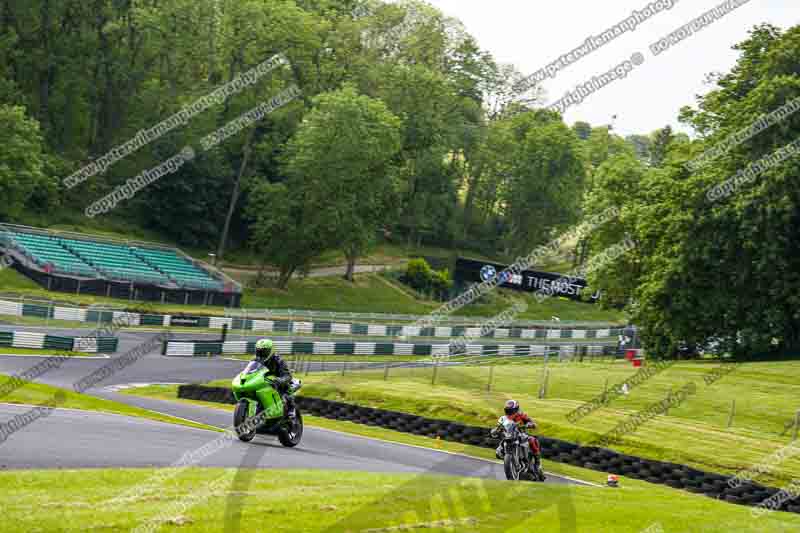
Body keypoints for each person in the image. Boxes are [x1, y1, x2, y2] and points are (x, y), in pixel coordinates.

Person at [495, 399, 543, 475]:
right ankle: (506, 457)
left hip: (520, 434)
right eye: (508, 411)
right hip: (508, 435)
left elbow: (530, 421)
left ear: (516, 409)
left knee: (532, 440)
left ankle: (537, 463)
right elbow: (497, 426)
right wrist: (495, 430)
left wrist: (530, 424)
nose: (509, 413)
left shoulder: (521, 415)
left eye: (511, 411)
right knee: (499, 450)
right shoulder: (503, 418)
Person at [254, 338, 296, 419]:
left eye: (264, 351)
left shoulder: (279, 360)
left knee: (286, 390)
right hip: (263, 383)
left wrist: (280, 380)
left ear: (270, 351)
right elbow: (250, 371)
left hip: (277, 383)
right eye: (259, 351)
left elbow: (288, 375)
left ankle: (291, 410)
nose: (261, 354)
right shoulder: (255, 361)